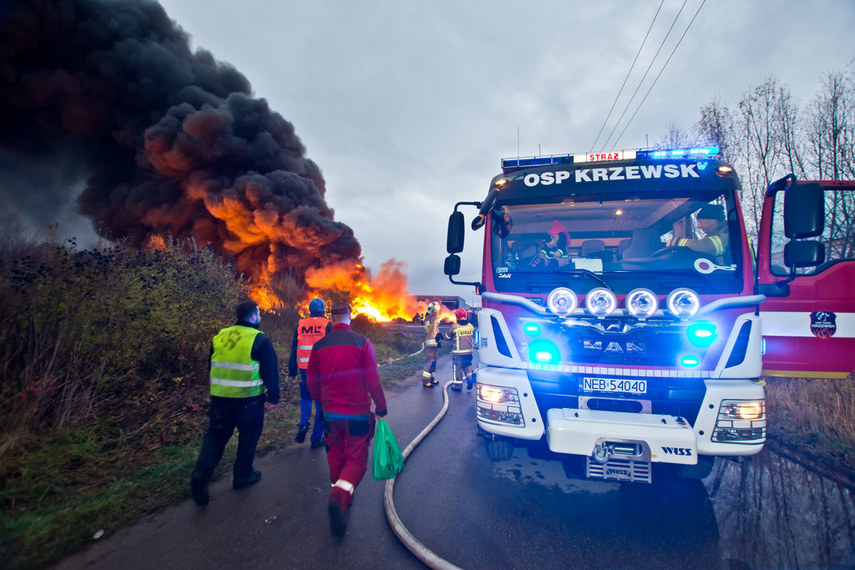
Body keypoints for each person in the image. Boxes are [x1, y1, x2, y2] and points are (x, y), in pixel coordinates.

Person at [307, 302, 388, 538]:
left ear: (331, 317)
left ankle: (340, 492)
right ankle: (339, 498)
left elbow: (312, 381)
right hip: (357, 414)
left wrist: (320, 402)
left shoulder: (319, 345)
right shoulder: (362, 343)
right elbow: (372, 379)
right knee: (356, 459)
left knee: (334, 453)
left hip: (330, 414)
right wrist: (381, 407)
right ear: (349, 316)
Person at [190, 300, 280, 507]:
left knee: (216, 435)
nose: (260, 317)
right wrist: (274, 395)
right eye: (258, 313)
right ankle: (242, 476)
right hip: (249, 400)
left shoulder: (220, 335)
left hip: (220, 398)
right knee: (249, 436)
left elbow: (211, 366)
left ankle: (200, 474)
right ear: (252, 317)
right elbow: (270, 371)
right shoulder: (259, 339)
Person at [288, 297, 332, 448]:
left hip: (304, 371)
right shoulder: (328, 324)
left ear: (310, 310)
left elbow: (294, 347)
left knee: (305, 399)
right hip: (321, 372)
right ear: (323, 310)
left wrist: (292, 369)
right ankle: (315, 439)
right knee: (321, 404)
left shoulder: (300, 324)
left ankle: (303, 425)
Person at [446, 308, 476, 391]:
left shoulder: (454, 326)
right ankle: (470, 379)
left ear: (457, 317)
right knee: (468, 366)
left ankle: (458, 386)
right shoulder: (471, 326)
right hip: (469, 352)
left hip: (458, 353)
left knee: (457, 368)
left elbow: (447, 336)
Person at [421, 300, 442, 388]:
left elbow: (435, 326)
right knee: (429, 362)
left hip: (434, 343)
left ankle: (431, 378)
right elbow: (436, 312)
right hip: (431, 344)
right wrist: (436, 304)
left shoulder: (430, 319)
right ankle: (425, 381)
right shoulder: (431, 318)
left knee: (433, 362)